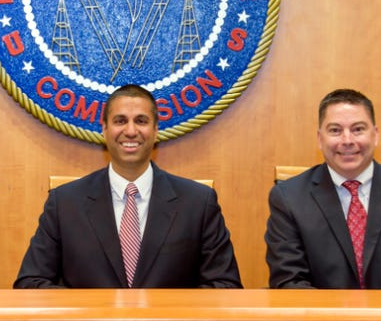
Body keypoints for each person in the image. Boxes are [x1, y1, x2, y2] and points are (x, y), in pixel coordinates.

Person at [15, 85, 242, 288]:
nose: (131, 131)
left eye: (141, 121)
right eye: (120, 121)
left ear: (156, 130)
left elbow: (225, 286)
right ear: (104, 129)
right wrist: (92, 312)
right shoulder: (64, 203)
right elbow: (30, 284)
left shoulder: (198, 203)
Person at [265, 88, 381, 289]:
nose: (347, 140)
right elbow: (289, 280)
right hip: (321, 318)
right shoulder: (289, 198)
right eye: (335, 130)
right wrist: (338, 319)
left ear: (375, 135)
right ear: (319, 138)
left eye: (358, 129)